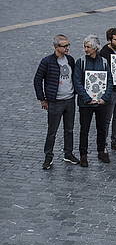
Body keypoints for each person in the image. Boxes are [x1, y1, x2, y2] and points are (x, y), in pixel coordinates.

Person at [33, 35, 79, 170]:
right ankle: (48, 157)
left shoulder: (70, 60)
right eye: (64, 46)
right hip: (55, 102)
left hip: (70, 100)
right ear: (56, 47)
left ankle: (68, 153)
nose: (67, 48)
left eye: (68, 45)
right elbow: (37, 80)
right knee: (52, 131)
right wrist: (42, 99)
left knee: (69, 129)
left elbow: (75, 77)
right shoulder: (47, 62)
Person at [73, 35, 113, 167]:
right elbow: (77, 82)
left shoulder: (104, 62)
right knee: (84, 129)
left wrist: (104, 98)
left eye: (88, 47)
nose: (85, 49)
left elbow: (109, 81)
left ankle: (101, 151)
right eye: (85, 46)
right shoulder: (81, 62)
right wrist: (87, 98)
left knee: (101, 128)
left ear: (95, 48)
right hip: (86, 104)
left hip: (101, 103)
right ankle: (83, 155)